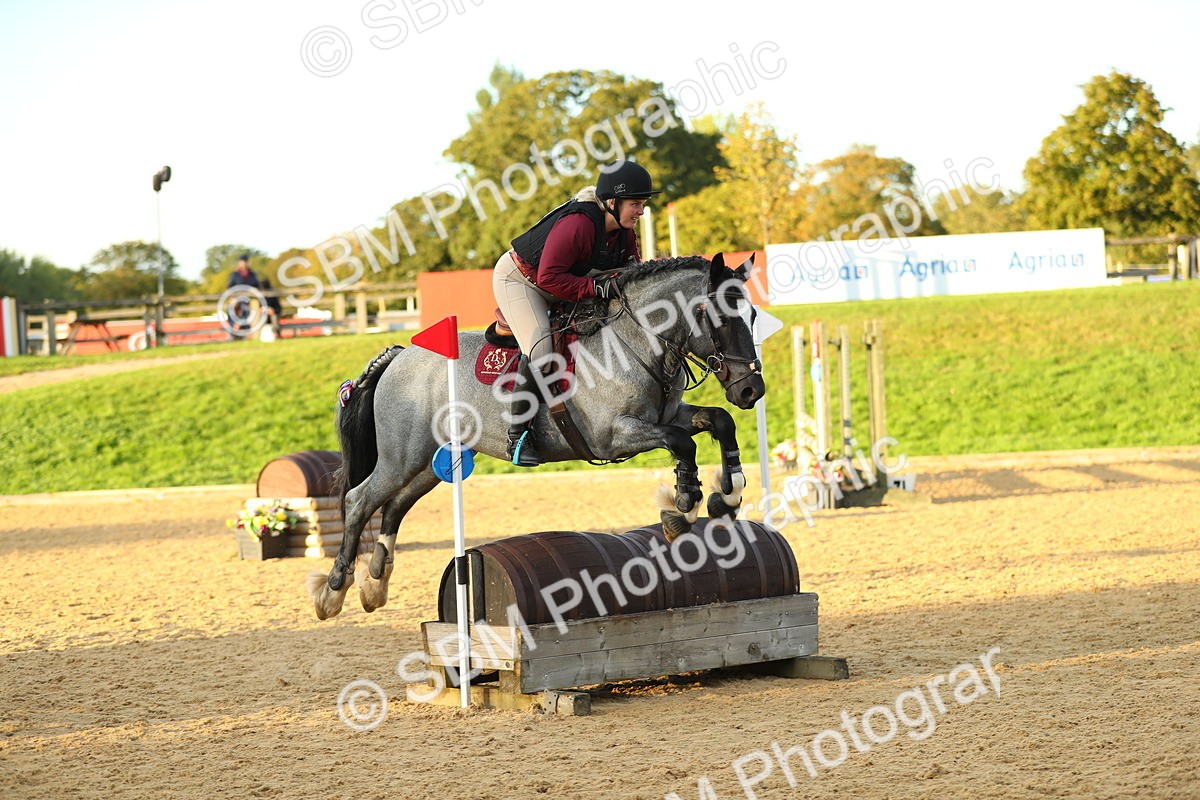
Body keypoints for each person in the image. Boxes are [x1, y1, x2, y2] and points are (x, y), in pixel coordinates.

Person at [493, 160, 662, 467]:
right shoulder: (579, 224)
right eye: (636, 204)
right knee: (542, 349)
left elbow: (632, 276)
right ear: (612, 202)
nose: (640, 211)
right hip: (522, 280)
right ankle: (517, 436)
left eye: (643, 204)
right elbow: (549, 279)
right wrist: (597, 290)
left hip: (562, 278)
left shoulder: (624, 233)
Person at [226, 254, 261, 340]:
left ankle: (251, 335)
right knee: (234, 312)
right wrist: (233, 297)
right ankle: (234, 332)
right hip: (237, 299)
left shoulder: (252, 274)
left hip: (250, 300)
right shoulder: (235, 275)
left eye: (245, 262)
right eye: (242, 262)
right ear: (239, 263)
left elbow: (257, 286)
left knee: (252, 311)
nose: (244, 264)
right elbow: (230, 287)